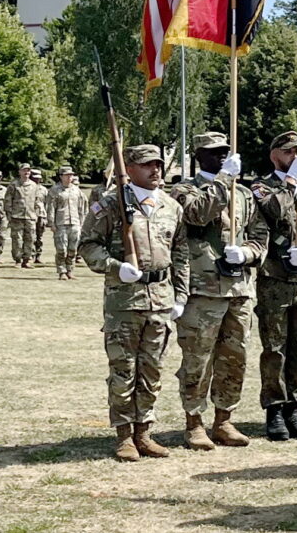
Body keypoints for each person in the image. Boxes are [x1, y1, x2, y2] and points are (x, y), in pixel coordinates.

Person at [78, 144, 233, 462]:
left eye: (159, 164)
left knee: (152, 370)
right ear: (130, 169)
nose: (156, 170)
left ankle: (144, 433)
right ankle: (124, 435)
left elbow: (180, 253)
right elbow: (88, 245)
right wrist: (115, 266)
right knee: (124, 370)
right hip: (125, 301)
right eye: (148, 165)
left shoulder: (170, 206)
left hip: (160, 300)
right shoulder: (111, 205)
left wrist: (180, 294)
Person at [171, 132, 258, 450]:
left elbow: (257, 235)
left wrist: (247, 253)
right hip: (202, 289)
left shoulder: (245, 193)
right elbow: (197, 214)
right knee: (198, 358)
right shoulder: (183, 190)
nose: (220, 156)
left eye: (224, 151)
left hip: (238, 288)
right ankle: (194, 423)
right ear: (198, 157)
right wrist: (224, 179)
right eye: (212, 152)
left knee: (235, 358)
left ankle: (224, 420)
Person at [248, 131, 297, 442]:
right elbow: (276, 211)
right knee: (275, 348)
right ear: (274, 155)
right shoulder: (261, 187)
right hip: (275, 280)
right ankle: (275, 409)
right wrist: (289, 183)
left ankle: (295, 406)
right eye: (287, 151)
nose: (294, 156)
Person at [45, 166, 87, 279]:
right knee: (61, 249)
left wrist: (82, 223)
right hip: (60, 223)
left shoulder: (77, 191)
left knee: (73, 249)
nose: (70, 177)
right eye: (67, 175)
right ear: (61, 177)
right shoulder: (55, 190)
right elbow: (50, 208)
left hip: (75, 223)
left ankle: (70, 270)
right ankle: (61, 271)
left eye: (71, 175)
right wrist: (51, 223)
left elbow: (82, 209)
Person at [4, 164, 40, 269]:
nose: (26, 172)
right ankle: (18, 260)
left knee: (30, 239)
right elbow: (8, 201)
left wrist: (36, 214)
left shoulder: (34, 185)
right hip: (17, 216)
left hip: (30, 216)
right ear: (19, 172)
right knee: (17, 239)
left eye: (28, 171)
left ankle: (27, 260)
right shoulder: (14, 185)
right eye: (24, 170)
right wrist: (9, 214)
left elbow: (37, 202)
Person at [31, 169, 48, 265]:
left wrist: (46, 217)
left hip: (41, 215)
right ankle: (30, 255)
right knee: (31, 237)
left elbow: (46, 204)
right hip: (31, 215)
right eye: (35, 178)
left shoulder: (44, 190)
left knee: (39, 237)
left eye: (38, 179)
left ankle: (38, 255)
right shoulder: (29, 188)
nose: (37, 180)